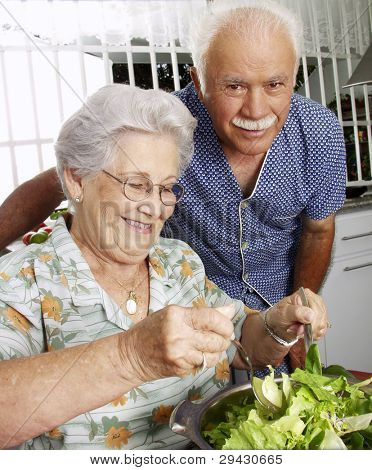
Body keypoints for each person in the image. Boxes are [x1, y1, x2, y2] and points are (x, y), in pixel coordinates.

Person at [0, 2, 345, 374]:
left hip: (265, 325)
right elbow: (63, 175)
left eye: (275, 85)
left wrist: (299, 313)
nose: (256, 109)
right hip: (191, 323)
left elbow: (318, 230)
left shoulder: (319, 133)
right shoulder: (164, 130)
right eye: (234, 86)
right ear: (199, 82)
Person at [0, 84, 328, 450]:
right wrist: (132, 355)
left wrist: (277, 325)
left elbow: (241, 343)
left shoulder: (178, 261)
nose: (155, 207)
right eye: (137, 184)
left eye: (166, 188)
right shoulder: (20, 283)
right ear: (78, 179)